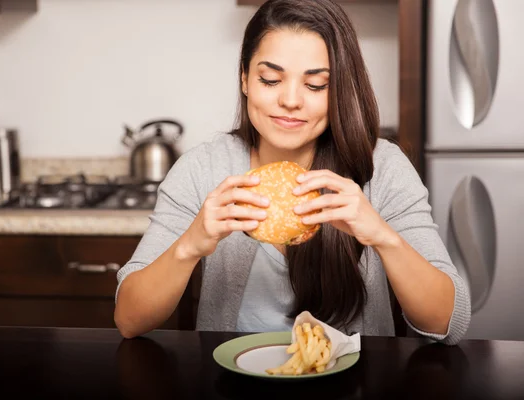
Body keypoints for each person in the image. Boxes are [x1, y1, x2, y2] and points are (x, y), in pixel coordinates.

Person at [114, 0, 471, 344]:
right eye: (270, 79)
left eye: (316, 85)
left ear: (339, 90)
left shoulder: (383, 167)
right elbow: (129, 320)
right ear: (245, 79)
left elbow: (447, 324)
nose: (290, 100)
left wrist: (382, 236)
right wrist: (189, 246)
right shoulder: (203, 168)